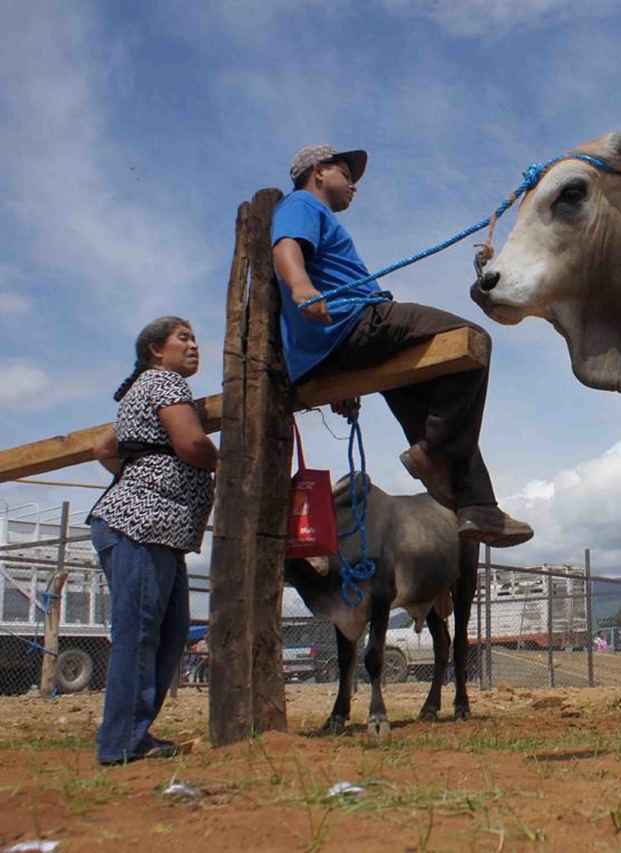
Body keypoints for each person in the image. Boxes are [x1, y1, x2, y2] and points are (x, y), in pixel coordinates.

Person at [271, 144, 531, 547]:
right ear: (318, 171)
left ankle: (477, 504)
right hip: (354, 321)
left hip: (338, 345)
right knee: (470, 341)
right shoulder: (302, 204)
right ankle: (434, 452)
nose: (354, 186)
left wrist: (343, 379)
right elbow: (286, 246)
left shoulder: (313, 211)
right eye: (346, 174)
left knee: (434, 407)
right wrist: (301, 285)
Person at [88, 317, 218, 765]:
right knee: (141, 633)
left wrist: (140, 474)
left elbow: (104, 449)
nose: (194, 345)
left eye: (195, 338)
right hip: (140, 526)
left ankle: (131, 733)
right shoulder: (164, 382)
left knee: (170, 632)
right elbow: (192, 444)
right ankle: (121, 742)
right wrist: (227, 462)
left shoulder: (140, 391)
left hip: (159, 531)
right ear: (155, 350)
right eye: (183, 338)